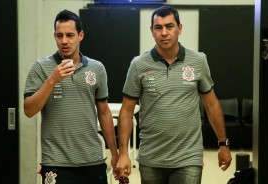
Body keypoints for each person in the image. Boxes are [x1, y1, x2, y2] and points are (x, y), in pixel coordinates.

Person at [116, 6, 232, 184]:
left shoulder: (198, 61)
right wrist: (123, 152)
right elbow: (126, 110)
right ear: (152, 31)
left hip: (188, 158)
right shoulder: (139, 65)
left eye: (169, 26)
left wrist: (223, 144)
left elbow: (212, 105)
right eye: (158, 27)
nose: (164, 32)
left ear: (180, 28)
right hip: (151, 159)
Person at [23, 10, 118, 184]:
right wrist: (53, 79)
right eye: (59, 36)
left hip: (92, 160)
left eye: (70, 35)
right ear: (54, 37)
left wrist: (115, 153)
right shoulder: (40, 68)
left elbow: (104, 113)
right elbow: (29, 110)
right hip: (56, 162)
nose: (64, 41)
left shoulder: (97, 68)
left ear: (80, 35)